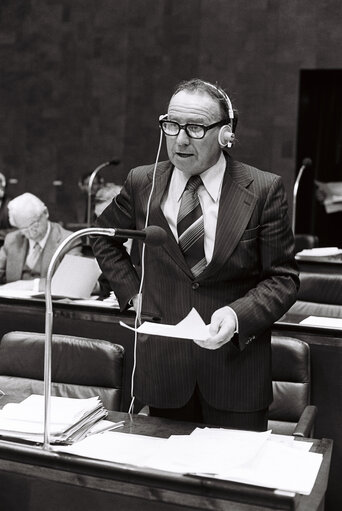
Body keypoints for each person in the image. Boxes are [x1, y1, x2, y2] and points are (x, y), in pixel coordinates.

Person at [91, 78, 299, 431]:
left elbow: (283, 278)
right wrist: (133, 295)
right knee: (161, 481)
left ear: (226, 134)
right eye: (171, 125)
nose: (181, 138)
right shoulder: (143, 181)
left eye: (196, 127)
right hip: (163, 370)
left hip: (235, 372)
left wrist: (237, 315)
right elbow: (103, 237)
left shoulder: (263, 189)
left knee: (233, 482)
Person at [0, 192, 82, 288]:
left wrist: (30, 285)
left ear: (45, 213)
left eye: (34, 225)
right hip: (13, 302)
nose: (31, 233)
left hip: (48, 302)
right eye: (24, 229)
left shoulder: (68, 241)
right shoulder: (12, 240)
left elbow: (72, 281)